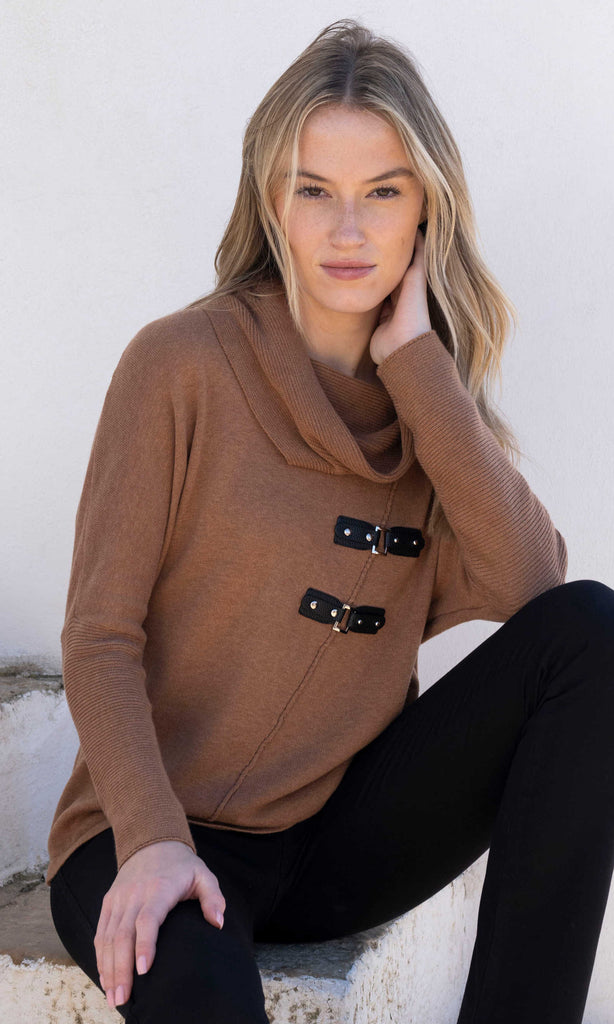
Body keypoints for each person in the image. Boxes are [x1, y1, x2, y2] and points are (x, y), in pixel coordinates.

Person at [47, 17, 614, 1024]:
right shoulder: (179, 364)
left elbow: (536, 587)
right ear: (272, 202)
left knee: (595, 633)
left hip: (328, 844)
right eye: (314, 190)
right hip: (145, 836)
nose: (347, 230)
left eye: (382, 192)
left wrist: (418, 368)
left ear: (427, 209)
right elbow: (97, 635)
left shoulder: (428, 408)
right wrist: (152, 838)